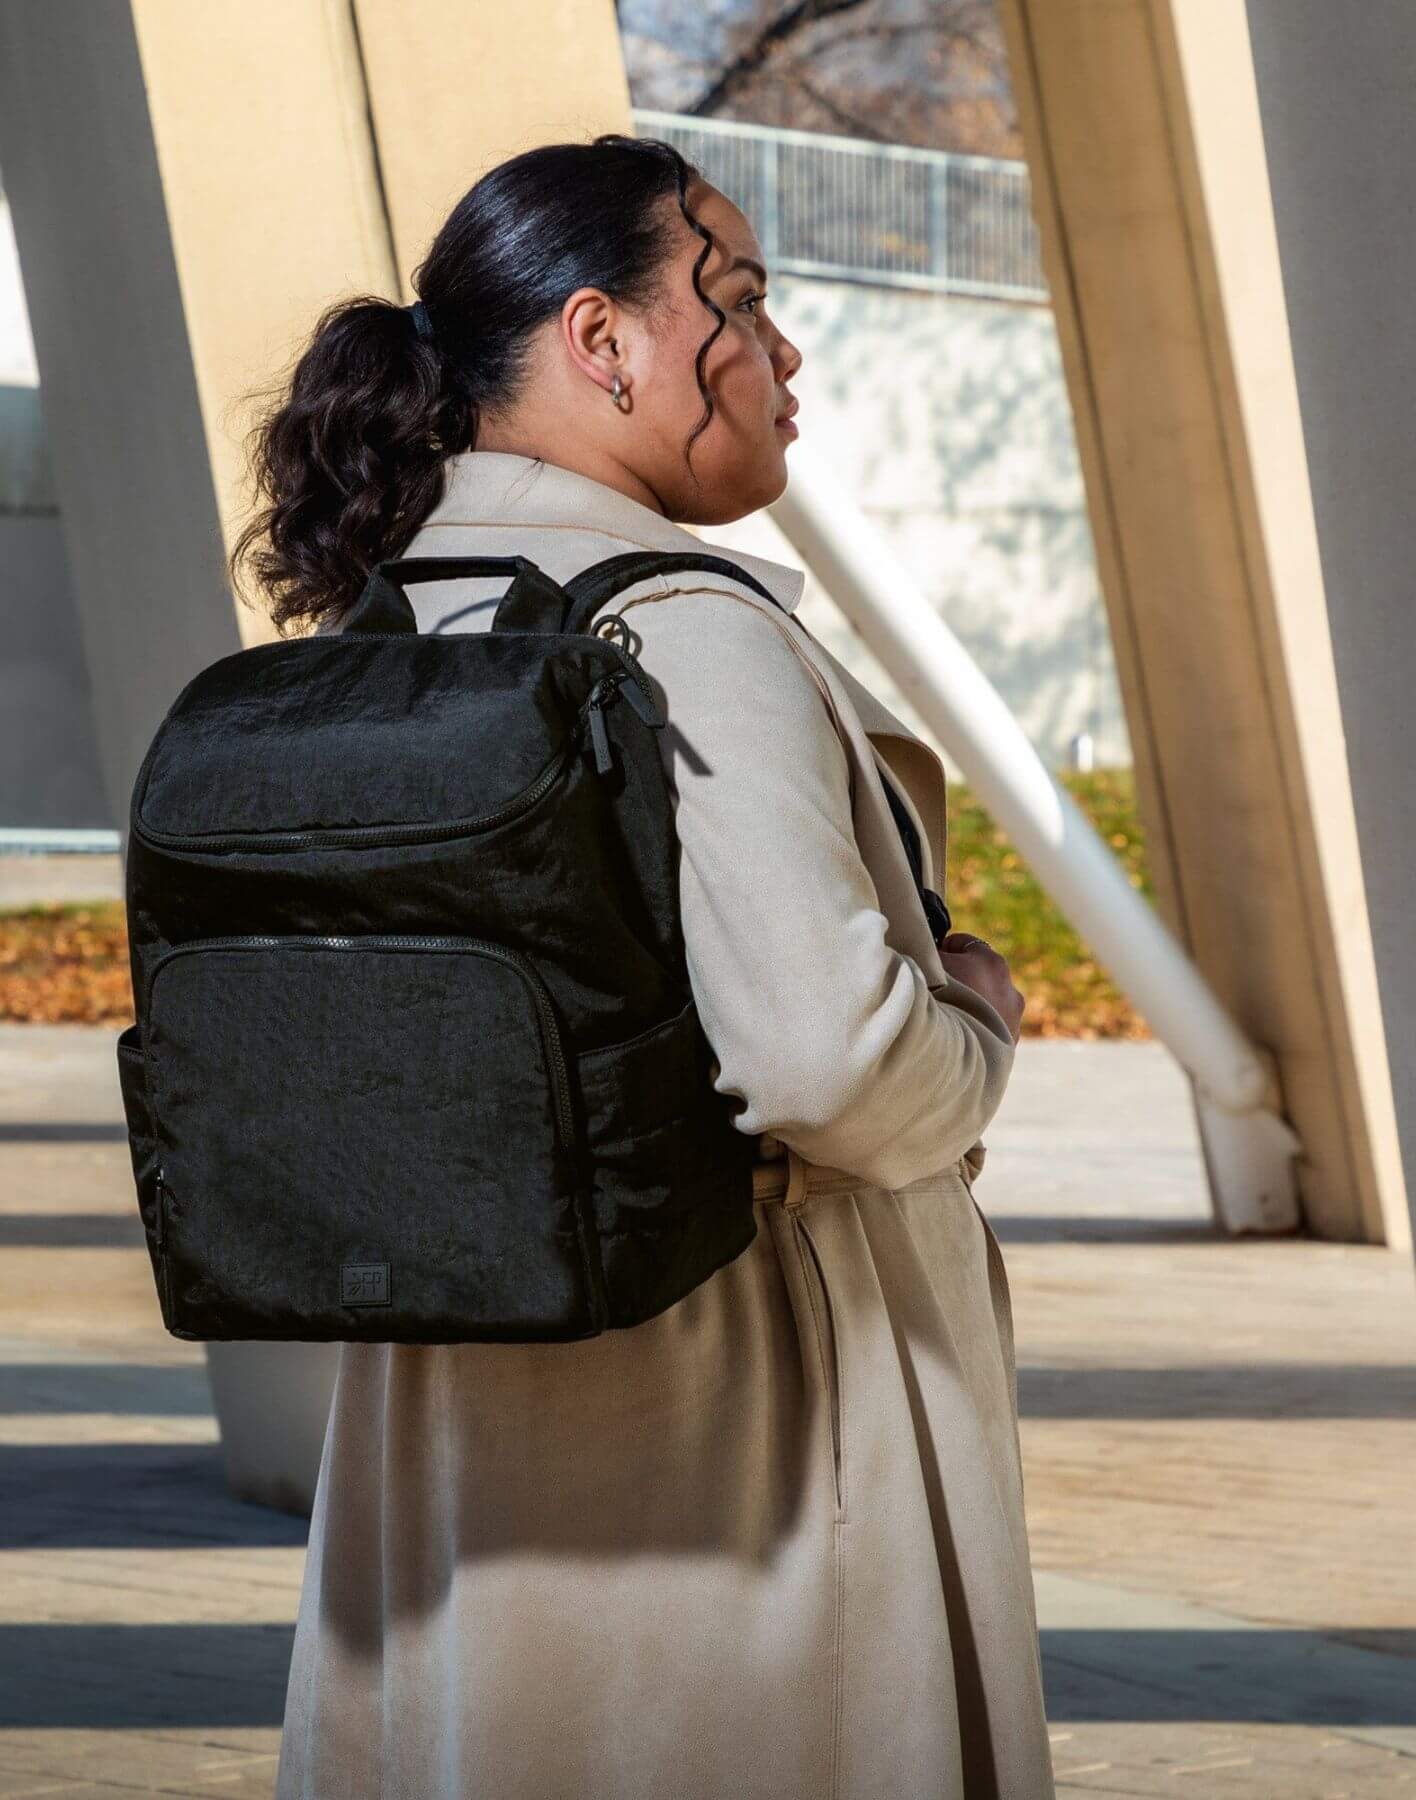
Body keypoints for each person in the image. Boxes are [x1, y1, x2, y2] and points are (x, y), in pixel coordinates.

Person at [234, 133, 1054, 1800]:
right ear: (603, 340)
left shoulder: (395, 622)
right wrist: (974, 1024)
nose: (781, 348)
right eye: (737, 300)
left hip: (454, 1405)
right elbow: (827, 1064)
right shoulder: (676, 624)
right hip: (740, 1420)